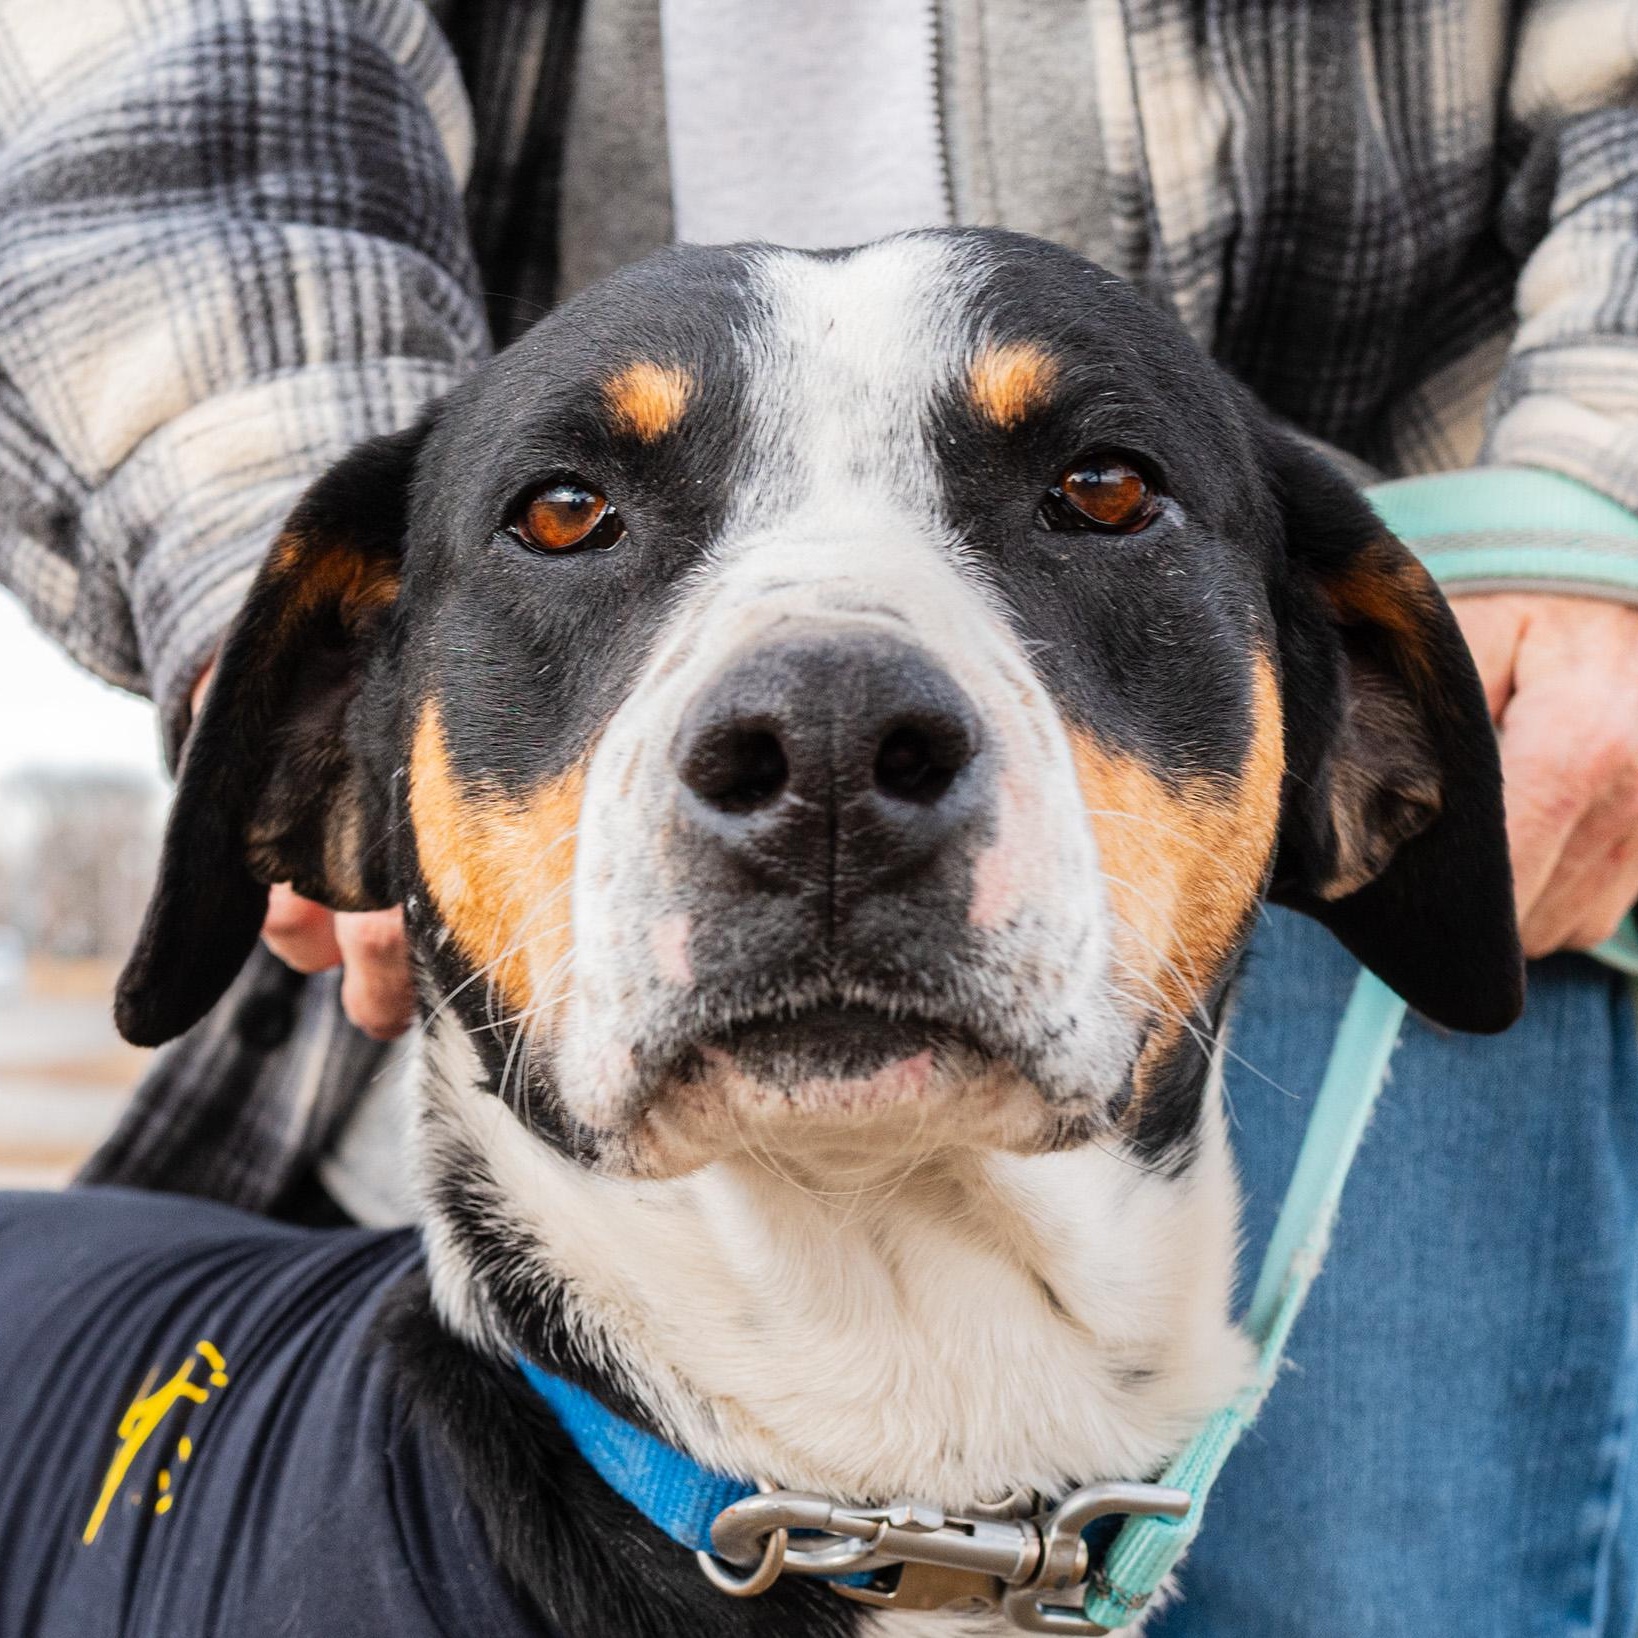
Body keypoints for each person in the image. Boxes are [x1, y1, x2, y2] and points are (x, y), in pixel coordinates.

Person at [1, 1, 1635, 1628]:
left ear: (1358, 740)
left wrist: (1609, 486)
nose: (822, 740)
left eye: (1097, 499)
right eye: (571, 519)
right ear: (344, 743)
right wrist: (236, 487)